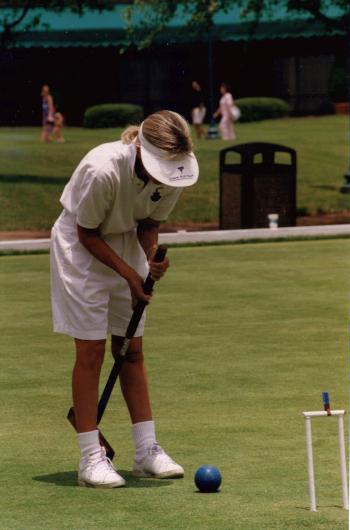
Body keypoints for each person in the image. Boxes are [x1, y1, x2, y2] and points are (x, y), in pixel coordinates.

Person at [50, 110, 199, 488]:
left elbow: (149, 223)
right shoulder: (103, 170)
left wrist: (148, 258)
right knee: (91, 351)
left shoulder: (175, 174)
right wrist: (131, 275)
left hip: (124, 240)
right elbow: (87, 234)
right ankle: (90, 458)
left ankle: (146, 451)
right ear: (142, 152)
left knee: (131, 349)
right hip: (81, 249)